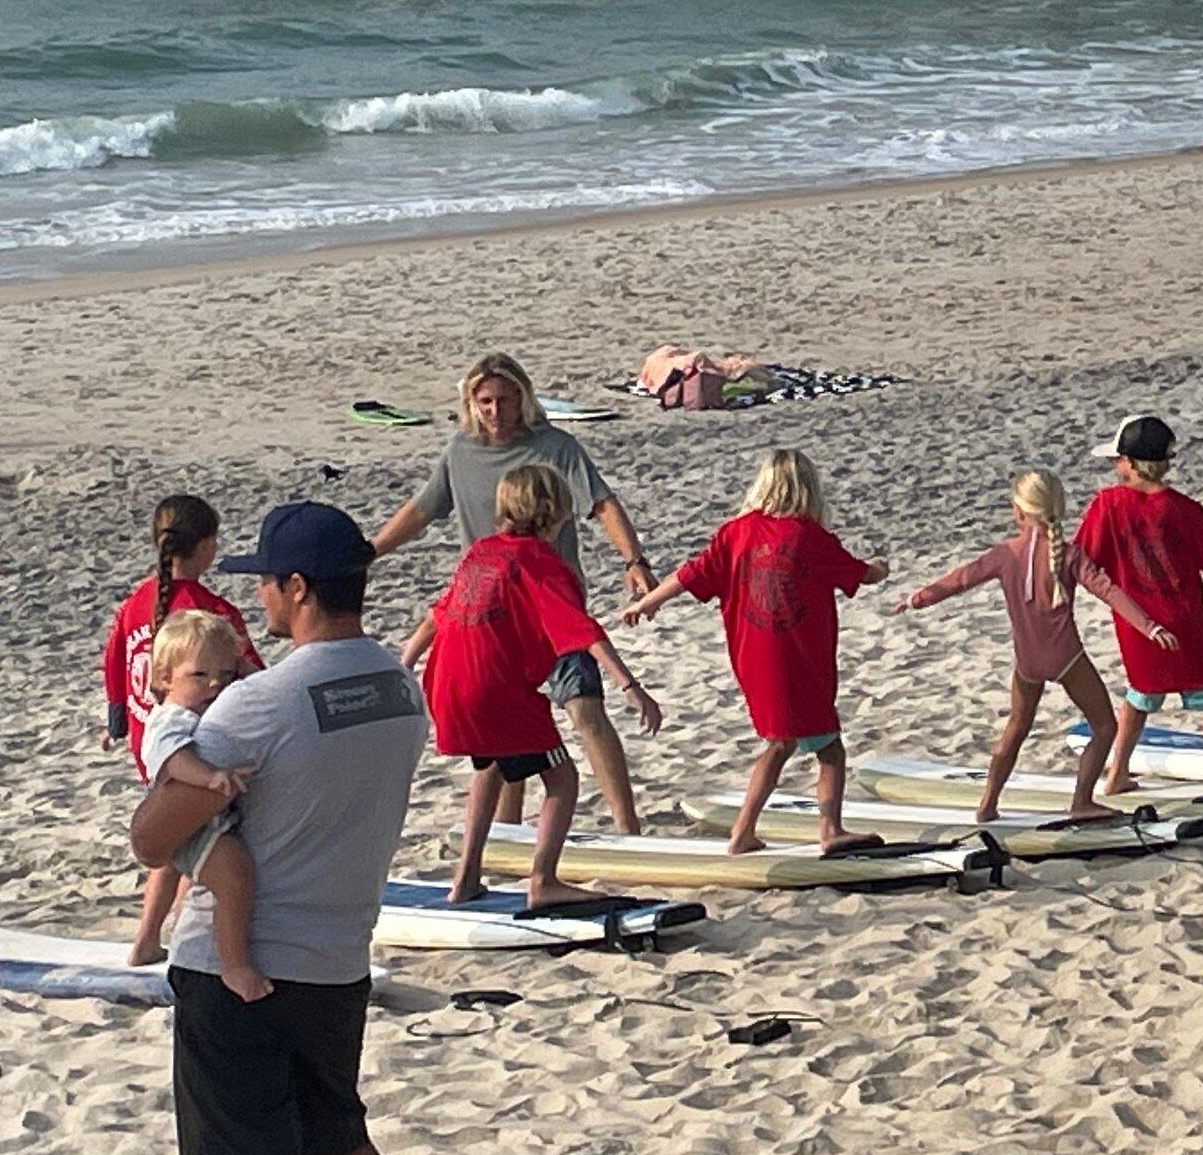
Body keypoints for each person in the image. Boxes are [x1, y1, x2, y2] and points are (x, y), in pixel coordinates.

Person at [130, 501, 433, 1155]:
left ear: (298, 589)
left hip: (246, 959)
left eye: (265, 580)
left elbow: (153, 837)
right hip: (340, 949)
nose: (257, 595)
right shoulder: (394, 685)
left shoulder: (261, 701)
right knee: (343, 1139)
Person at [366, 354, 663, 830]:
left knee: (586, 711)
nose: (495, 410)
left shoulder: (555, 447)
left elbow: (602, 504)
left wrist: (633, 561)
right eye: (484, 401)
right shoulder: (460, 453)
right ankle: (506, 834)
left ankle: (627, 825)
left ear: (523, 398)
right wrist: (370, 552)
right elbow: (421, 511)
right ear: (470, 403)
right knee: (509, 736)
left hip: (551, 611)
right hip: (491, 624)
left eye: (504, 399)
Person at [409, 463, 657, 908]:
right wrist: (630, 685)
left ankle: (465, 878)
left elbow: (436, 615)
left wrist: (402, 665)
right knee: (562, 777)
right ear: (552, 512)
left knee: (489, 768)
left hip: (448, 683)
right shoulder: (541, 563)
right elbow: (582, 630)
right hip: (497, 691)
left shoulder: (481, 553)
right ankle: (543, 881)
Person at [635, 450, 874, 855]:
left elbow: (689, 573)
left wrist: (648, 603)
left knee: (804, 741)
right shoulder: (810, 536)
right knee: (801, 746)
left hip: (753, 659)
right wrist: (880, 567)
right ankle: (773, 830)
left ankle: (791, 829)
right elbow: (860, 573)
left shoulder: (735, 532)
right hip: (801, 660)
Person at [906, 469, 1157, 824]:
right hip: (1067, 658)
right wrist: (1148, 626)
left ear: (1018, 512)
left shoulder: (1004, 554)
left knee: (1017, 727)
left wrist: (919, 599)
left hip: (1027, 662)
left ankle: (988, 804)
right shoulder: (1069, 556)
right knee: (1104, 727)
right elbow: (1108, 591)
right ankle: (1082, 801)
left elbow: (961, 578)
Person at [105, 497, 259, 962]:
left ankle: (148, 938)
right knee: (199, 841)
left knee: (175, 841)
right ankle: (173, 933)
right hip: (190, 743)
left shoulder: (139, 598)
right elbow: (252, 673)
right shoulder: (212, 615)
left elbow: (113, 658)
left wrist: (117, 716)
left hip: (146, 733)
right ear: (207, 547)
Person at [1076, 417, 1203, 797]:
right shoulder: (1185, 508)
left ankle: (1117, 772)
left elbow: (1083, 558)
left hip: (1137, 624)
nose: (1116, 468)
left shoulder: (1108, 504)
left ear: (1131, 463)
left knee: (1139, 696)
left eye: (1118, 460)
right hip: (1185, 619)